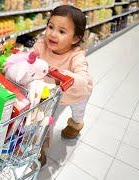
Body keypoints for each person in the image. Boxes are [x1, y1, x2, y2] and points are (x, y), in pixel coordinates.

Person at [32, 5, 93, 166]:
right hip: (51, 95)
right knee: (45, 121)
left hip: (76, 94)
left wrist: (61, 74)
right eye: (50, 27)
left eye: (61, 31)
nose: (52, 33)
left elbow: (82, 78)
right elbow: (30, 59)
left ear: (75, 38)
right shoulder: (41, 44)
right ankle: (39, 150)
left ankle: (76, 124)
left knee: (77, 112)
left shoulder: (77, 55)